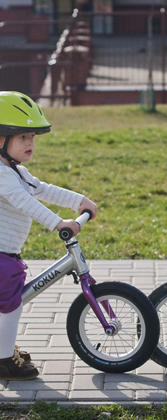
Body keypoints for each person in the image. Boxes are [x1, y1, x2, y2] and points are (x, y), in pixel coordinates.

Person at [0, 91, 97, 380]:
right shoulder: (2, 176)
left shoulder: (16, 171)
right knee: (10, 305)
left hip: (7, 252)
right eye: (22, 137)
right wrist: (59, 223)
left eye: (32, 137)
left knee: (9, 302)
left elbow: (42, 189)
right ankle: (4, 361)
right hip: (2, 257)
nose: (30, 143)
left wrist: (79, 200)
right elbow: (25, 203)